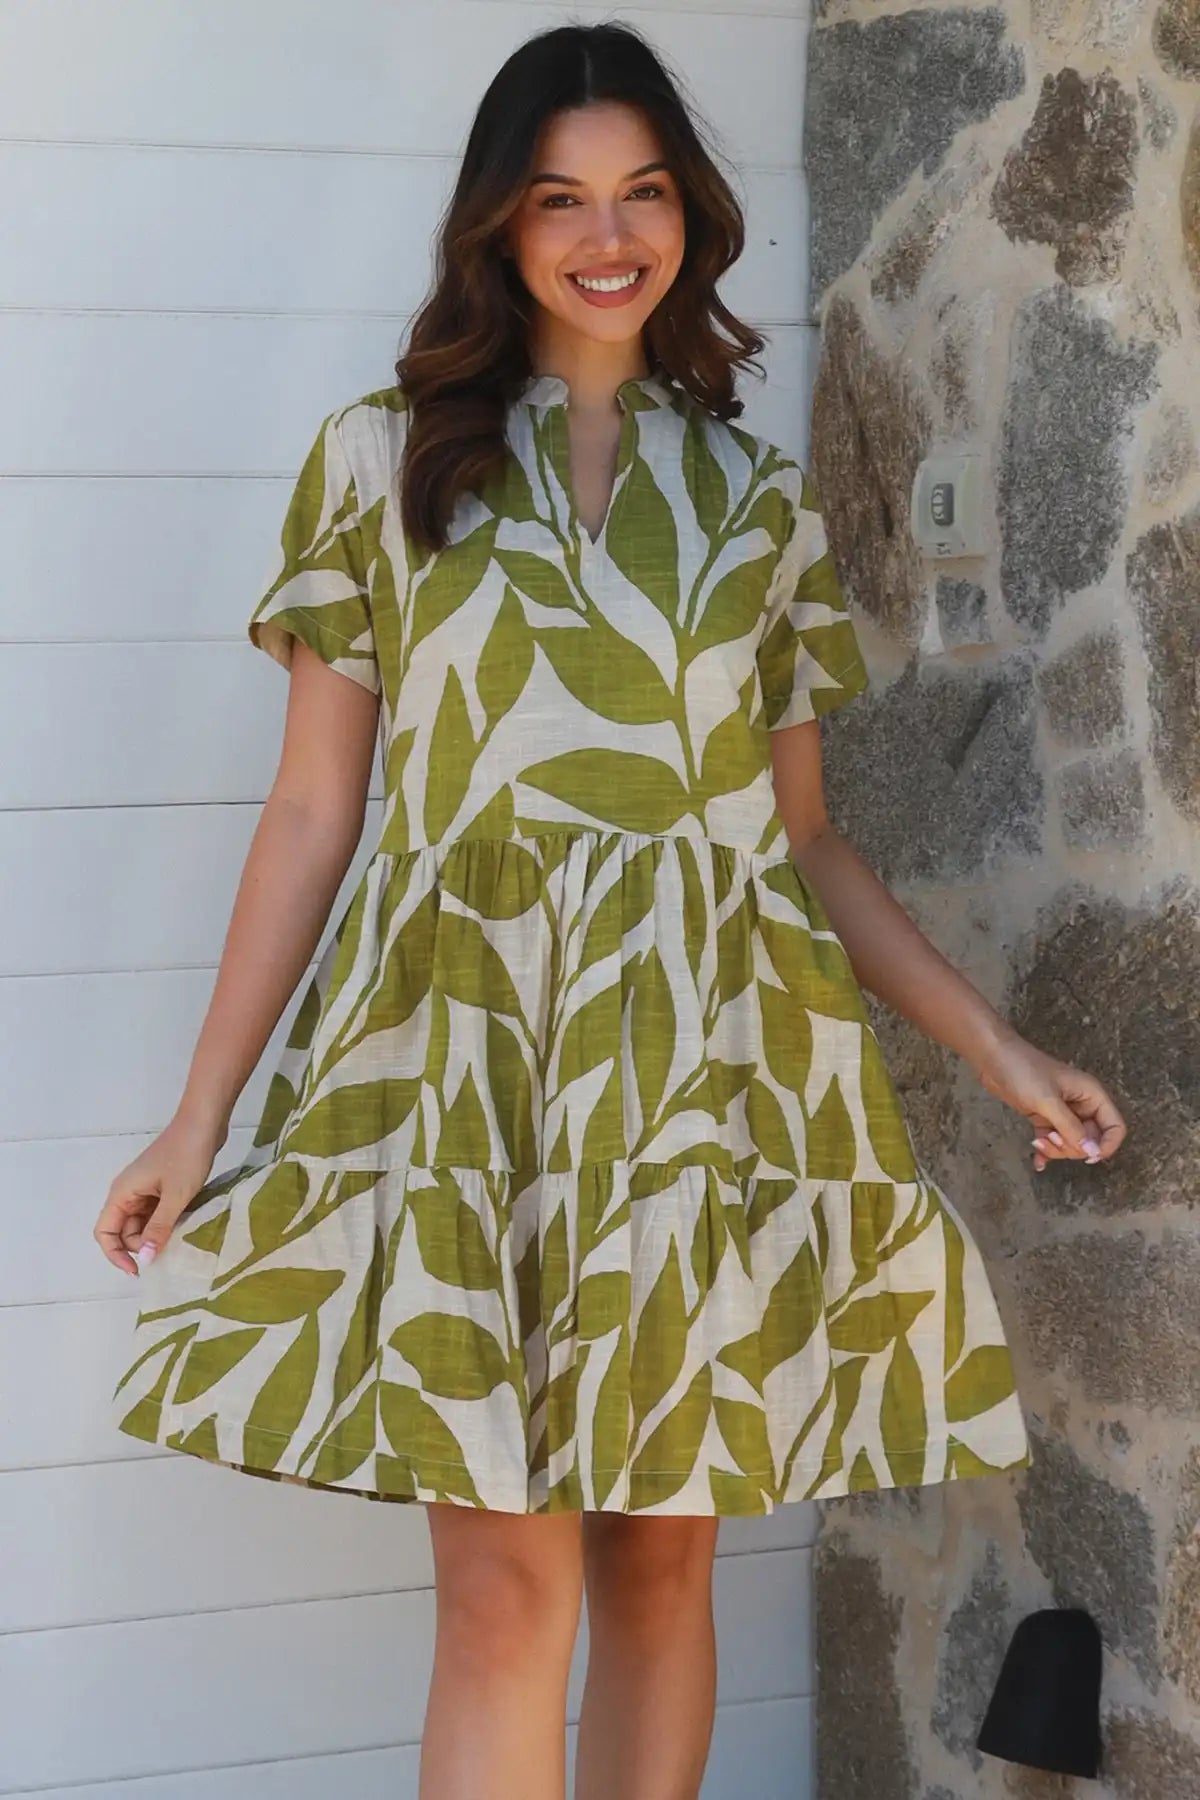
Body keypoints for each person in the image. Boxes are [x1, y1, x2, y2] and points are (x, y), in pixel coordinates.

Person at [95, 20, 1126, 1800]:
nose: (606, 233)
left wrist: (999, 1046)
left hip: (708, 1061)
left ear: (690, 215)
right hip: (464, 1051)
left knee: (663, 1562)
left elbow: (805, 847)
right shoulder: (385, 461)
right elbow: (315, 808)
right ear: (500, 224)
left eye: (642, 191)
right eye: (561, 196)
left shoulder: (756, 503)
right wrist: (203, 1116)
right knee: (503, 1585)